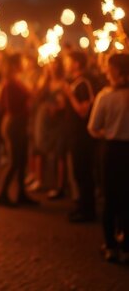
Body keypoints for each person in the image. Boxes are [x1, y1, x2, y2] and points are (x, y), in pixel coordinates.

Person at [88, 53, 129, 263]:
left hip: (112, 151)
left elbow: (93, 128)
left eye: (108, 67)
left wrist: (109, 132)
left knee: (110, 198)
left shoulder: (105, 95)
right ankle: (126, 245)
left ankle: (110, 245)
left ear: (116, 70)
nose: (105, 70)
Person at [0, 54, 38, 207]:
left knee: (21, 160)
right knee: (14, 161)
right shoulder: (10, 84)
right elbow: (9, 106)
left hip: (18, 123)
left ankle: (21, 193)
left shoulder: (16, 81)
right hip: (14, 124)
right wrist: (28, 100)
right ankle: (2, 195)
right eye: (21, 62)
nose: (24, 64)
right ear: (14, 65)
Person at [63, 51, 96, 222]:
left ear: (76, 63)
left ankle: (88, 211)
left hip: (82, 136)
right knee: (78, 172)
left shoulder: (83, 83)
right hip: (74, 134)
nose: (66, 63)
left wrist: (69, 95)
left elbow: (83, 111)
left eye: (68, 60)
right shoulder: (75, 82)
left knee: (83, 173)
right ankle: (82, 207)